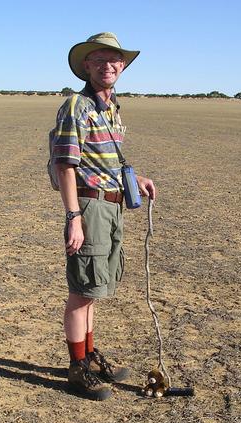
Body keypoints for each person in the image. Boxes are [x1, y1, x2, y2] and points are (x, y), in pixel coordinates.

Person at [51, 32, 156, 400]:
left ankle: (90, 356)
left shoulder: (111, 106)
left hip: (112, 205)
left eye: (115, 60)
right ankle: (77, 368)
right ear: (86, 66)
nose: (108, 66)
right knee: (81, 290)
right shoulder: (76, 106)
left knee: (94, 288)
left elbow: (104, 159)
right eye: (99, 60)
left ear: (122, 66)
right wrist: (74, 217)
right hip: (89, 206)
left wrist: (135, 178)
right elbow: (66, 165)